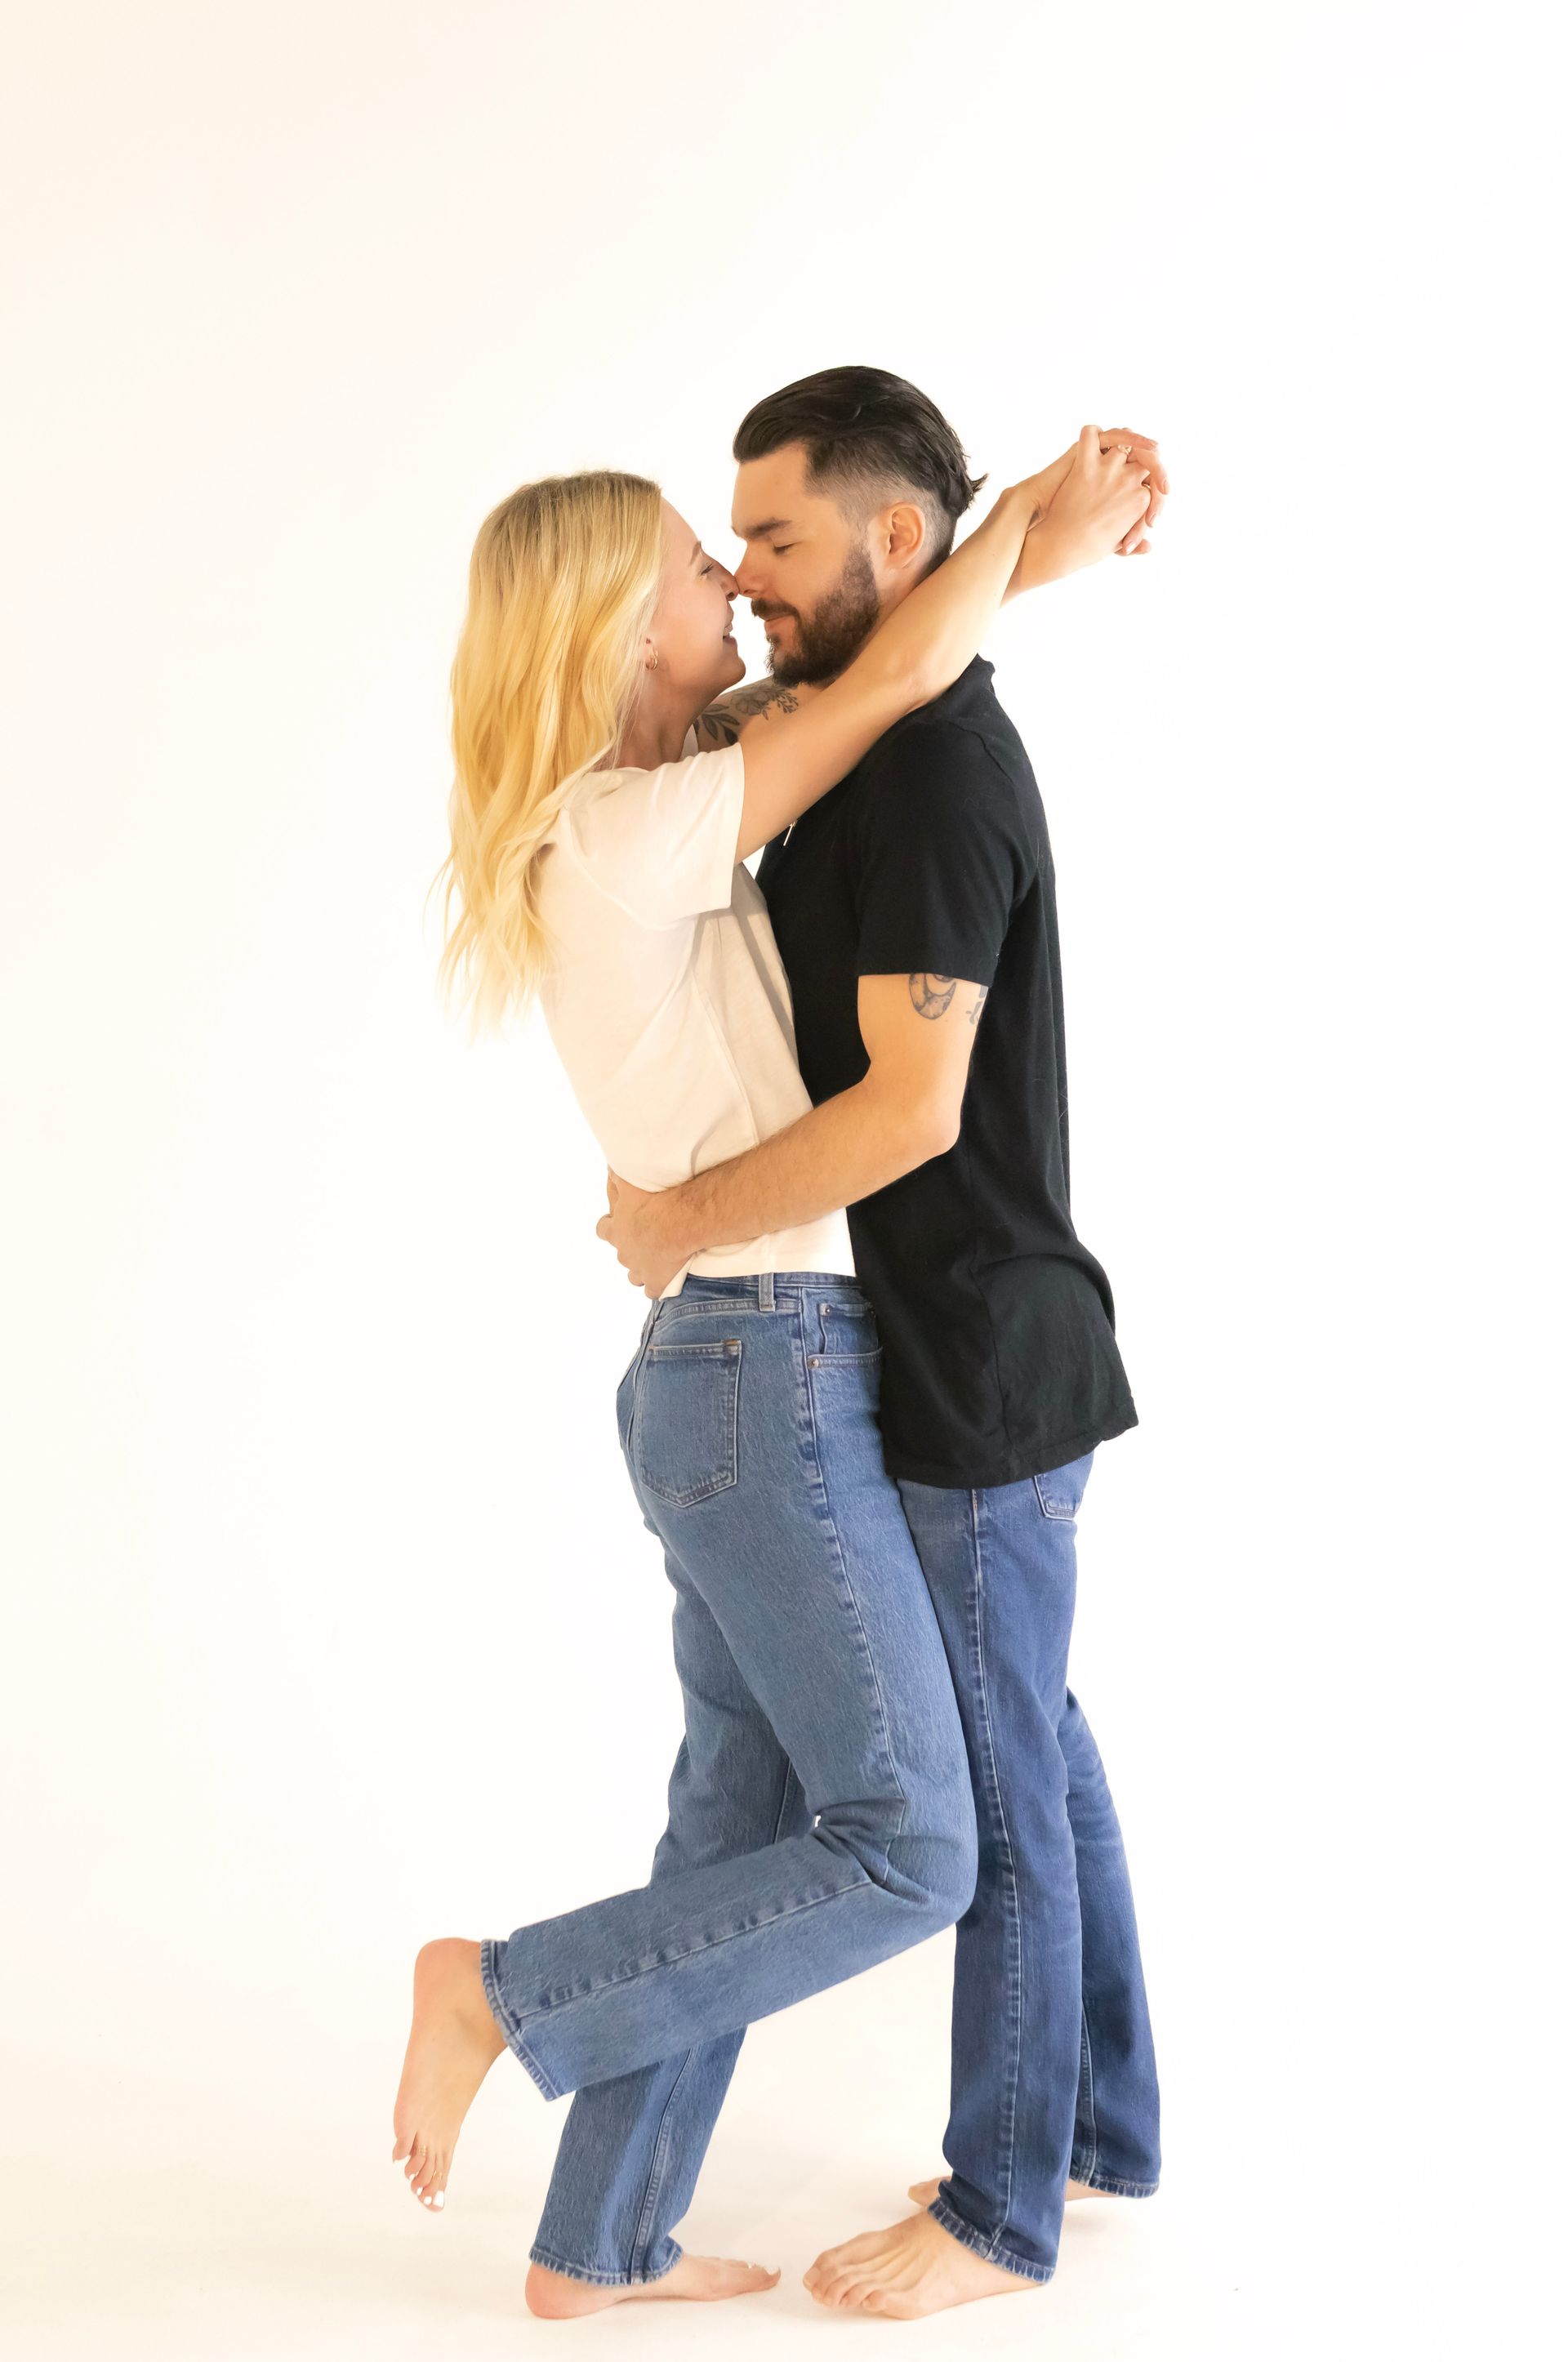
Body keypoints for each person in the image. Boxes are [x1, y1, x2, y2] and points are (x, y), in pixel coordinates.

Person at [392, 426, 1154, 2317]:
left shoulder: (654, 783)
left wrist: (998, 558)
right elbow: (891, 662)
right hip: (764, 1371)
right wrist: (1017, 524)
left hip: (735, 1363)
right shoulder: (637, 821)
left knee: (738, 1812)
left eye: (744, 546)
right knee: (910, 1845)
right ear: (602, 631)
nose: (728, 586)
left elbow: (867, 651)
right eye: (691, 567)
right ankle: (501, 1991)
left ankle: (596, 2245)